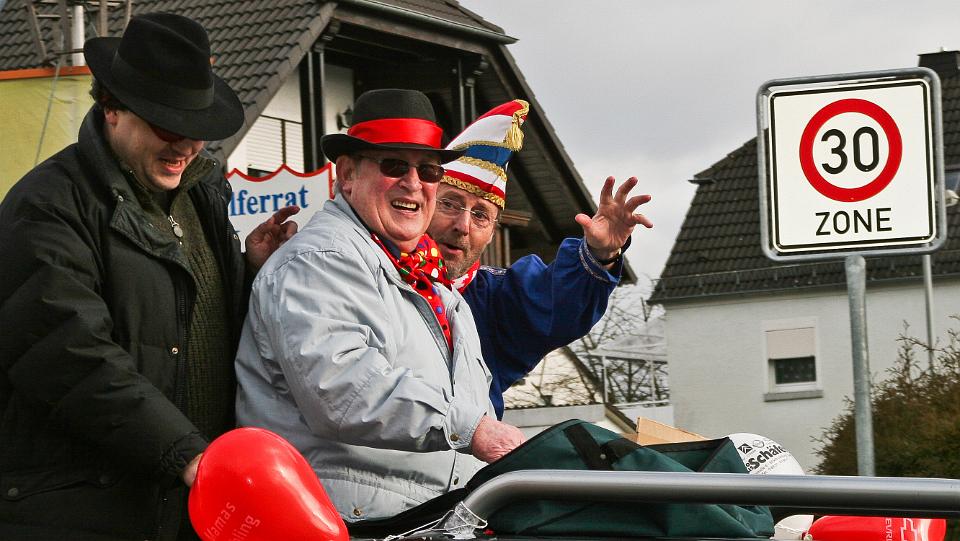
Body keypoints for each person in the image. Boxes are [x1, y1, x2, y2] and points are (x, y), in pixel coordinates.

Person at [0, 13, 297, 540]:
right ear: (112, 107)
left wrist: (246, 272)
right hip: (87, 507)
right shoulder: (46, 206)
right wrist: (187, 456)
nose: (186, 146)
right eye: (168, 126)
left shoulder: (201, 194)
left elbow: (193, 322)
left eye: (198, 130)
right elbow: (69, 355)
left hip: (188, 500)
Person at [235, 88, 525, 522]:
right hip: (341, 521)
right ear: (347, 175)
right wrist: (472, 428)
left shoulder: (433, 284)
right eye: (394, 165)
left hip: (420, 519)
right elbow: (341, 388)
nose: (414, 183)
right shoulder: (321, 259)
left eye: (429, 171)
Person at [429, 100, 654, 418]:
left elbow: (558, 306)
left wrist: (600, 253)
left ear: (492, 232)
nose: (463, 226)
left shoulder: (496, 297)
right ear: (422, 205)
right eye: (450, 204)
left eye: (481, 215)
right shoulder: (377, 274)